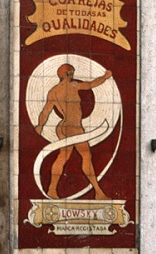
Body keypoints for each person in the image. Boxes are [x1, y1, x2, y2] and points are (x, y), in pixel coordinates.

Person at [35, 62, 113, 200]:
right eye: (71, 73)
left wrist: (40, 125)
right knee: (85, 157)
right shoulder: (72, 86)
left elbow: (45, 112)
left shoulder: (54, 91)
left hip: (66, 128)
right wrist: (105, 77)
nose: (73, 75)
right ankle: (98, 192)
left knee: (64, 156)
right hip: (73, 128)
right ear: (67, 74)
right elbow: (90, 85)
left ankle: (52, 189)